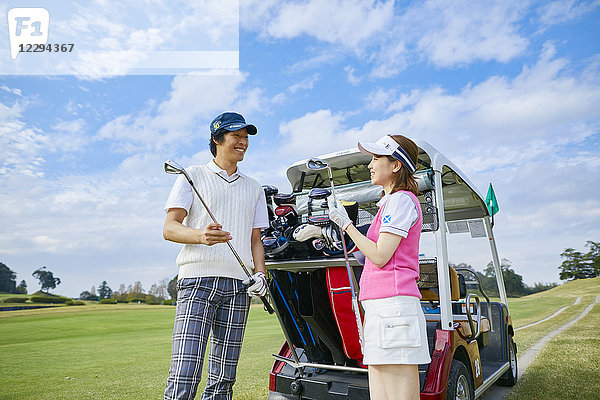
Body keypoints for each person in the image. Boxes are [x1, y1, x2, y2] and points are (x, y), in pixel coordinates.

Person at [162, 112, 269, 400]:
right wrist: (201, 235)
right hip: (196, 282)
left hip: (238, 288)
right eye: (236, 136)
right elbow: (170, 228)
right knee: (185, 372)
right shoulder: (192, 176)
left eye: (246, 138)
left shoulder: (254, 187)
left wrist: (260, 273)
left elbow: (255, 240)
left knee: (223, 379)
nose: (243, 142)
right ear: (216, 139)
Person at [327, 134, 430, 400]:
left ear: (396, 165)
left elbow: (381, 255)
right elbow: (370, 255)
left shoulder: (401, 200)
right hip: (380, 309)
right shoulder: (387, 203)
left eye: (375, 158)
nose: (370, 165)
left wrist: (346, 225)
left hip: (394, 308)